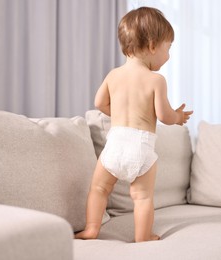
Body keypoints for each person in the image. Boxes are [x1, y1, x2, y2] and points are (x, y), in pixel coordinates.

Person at [75, 6, 193, 243]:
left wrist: (117, 113)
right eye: (168, 48)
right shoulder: (156, 80)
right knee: (142, 197)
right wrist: (179, 117)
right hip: (141, 146)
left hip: (115, 144)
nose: (168, 56)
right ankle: (143, 236)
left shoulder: (113, 75)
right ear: (151, 46)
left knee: (98, 190)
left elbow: (99, 103)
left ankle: (91, 229)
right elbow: (164, 116)